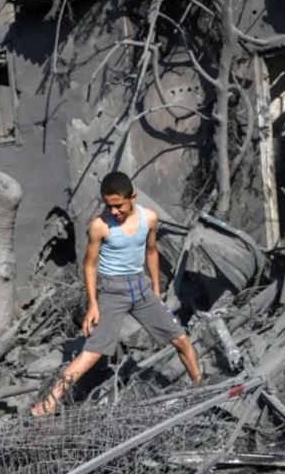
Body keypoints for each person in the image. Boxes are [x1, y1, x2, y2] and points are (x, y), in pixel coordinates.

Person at [31, 172, 202, 415]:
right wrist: (93, 305)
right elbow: (89, 265)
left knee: (181, 339)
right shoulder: (100, 226)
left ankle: (200, 387)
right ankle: (48, 403)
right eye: (108, 206)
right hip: (112, 291)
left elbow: (152, 251)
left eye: (118, 205)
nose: (114, 211)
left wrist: (155, 286)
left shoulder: (149, 219)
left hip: (140, 288)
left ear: (132, 197)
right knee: (92, 353)